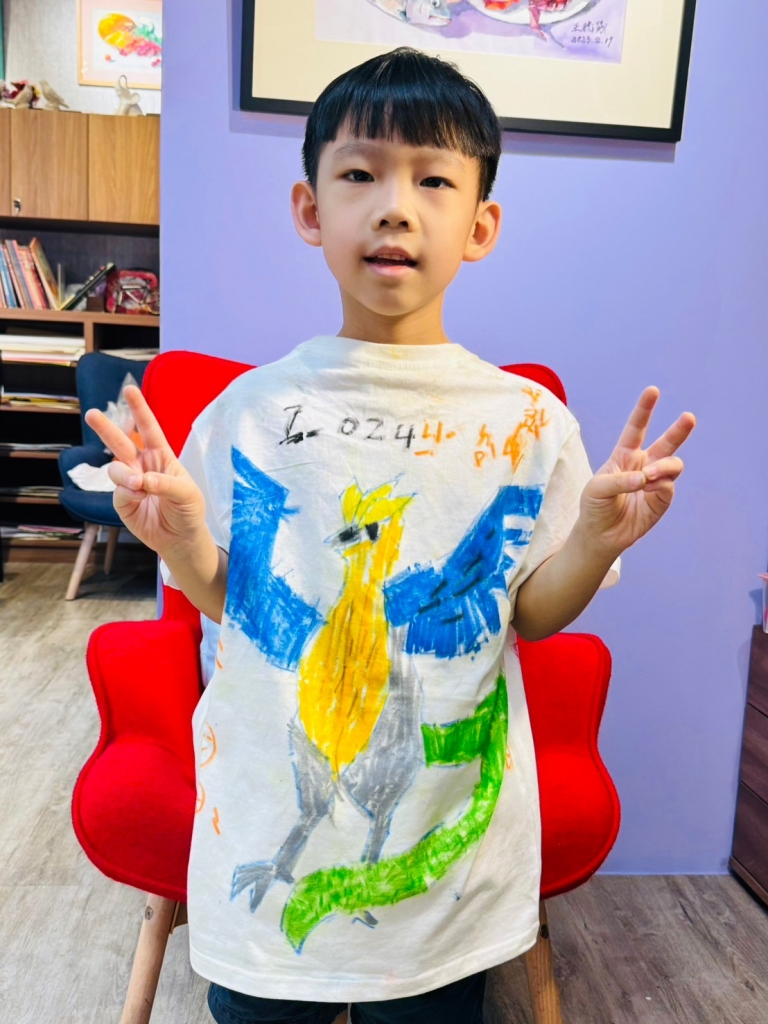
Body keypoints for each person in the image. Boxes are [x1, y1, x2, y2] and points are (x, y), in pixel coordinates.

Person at [85, 47, 695, 1024]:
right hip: (263, 827)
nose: (395, 207)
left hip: (441, 876)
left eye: (434, 180)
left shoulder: (527, 423)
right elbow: (230, 601)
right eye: (361, 173)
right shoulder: (248, 413)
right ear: (309, 209)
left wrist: (592, 536)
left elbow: (533, 616)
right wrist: (182, 542)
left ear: (481, 224)